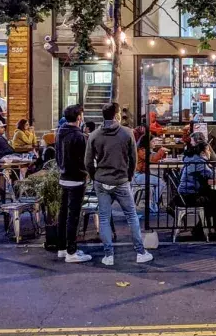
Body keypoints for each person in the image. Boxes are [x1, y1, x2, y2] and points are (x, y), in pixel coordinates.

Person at [85, 102, 153, 266]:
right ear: (116, 115)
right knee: (131, 216)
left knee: (104, 218)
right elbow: (133, 158)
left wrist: (95, 176)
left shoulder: (94, 135)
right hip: (121, 180)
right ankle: (140, 252)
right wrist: (129, 176)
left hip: (101, 180)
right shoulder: (127, 133)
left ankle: (108, 255)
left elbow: (88, 162)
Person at [55, 104, 92, 263]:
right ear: (79, 117)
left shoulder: (60, 133)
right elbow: (84, 160)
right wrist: (87, 173)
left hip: (63, 177)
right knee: (73, 216)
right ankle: (72, 252)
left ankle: (62, 248)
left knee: (63, 214)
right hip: (76, 179)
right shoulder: (79, 136)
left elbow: (57, 155)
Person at [173, 140, 216, 238]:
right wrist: (214, 168)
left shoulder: (191, 159)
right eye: (208, 151)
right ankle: (210, 228)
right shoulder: (199, 162)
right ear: (203, 153)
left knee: (214, 194)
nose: (210, 153)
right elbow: (212, 175)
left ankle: (210, 227)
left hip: (185, 193)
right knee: (213, 199)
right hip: (188, 196)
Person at [133, 130, 168, 213]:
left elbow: (154, 158)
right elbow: (152, 159)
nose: (154, 143)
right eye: (153, 141)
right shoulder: (141, 150)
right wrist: (161, 151)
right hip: (137, 176)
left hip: (140, 175)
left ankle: (152, 202)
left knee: (158, 182)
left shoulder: (144, 150)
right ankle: (153, 203)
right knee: (161, 182)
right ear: (147, 142)